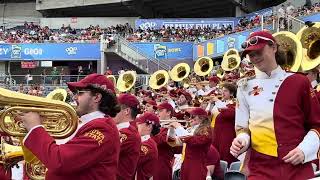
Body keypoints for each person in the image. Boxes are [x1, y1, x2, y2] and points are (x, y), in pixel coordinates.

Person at [230, 31, 320, 179]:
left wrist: (304, 150)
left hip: (296, 165)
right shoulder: (244, 87)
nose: (254, 57)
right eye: (250, 55)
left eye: (258, 51)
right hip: (260, 168)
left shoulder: (299, 81)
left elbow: (316, 124)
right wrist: (242, 141)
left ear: (274, 47)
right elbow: (242, 128)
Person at [19, 73, 121, 180]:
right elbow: (48, 154)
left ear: (96, 97)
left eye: (80, 93)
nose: (75, 97)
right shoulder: (84, 123)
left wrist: (36, 128)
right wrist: (30, 127)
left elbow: (60, 161)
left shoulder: (103, 128)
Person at [168, 107, 212, 180]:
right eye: (190, 116)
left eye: (193, 116)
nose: (190, 119)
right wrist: (172, 129)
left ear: (202, 118)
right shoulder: (189, 130)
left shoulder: (206, 130)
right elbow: (172, 142)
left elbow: (193, 141)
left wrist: (178, 127)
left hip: (197, 166)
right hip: (186, 165)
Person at [113, 93, 141, 180]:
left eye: (115, 107)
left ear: (127, 111)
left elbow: (104, 151)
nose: (111, 110)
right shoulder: (124, 130)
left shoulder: (129, 134)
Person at [153, 102, 182, 180]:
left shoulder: (171, 129)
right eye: (157, 110)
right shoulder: (158, 126)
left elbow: (160, 141)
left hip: (162, 164)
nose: (157, 113)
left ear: (168, 113)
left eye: (160, 110)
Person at [135, 112, 160, 180]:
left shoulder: (148, 145)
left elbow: (132, 160)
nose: (137, 124)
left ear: (149, 126)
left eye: (140, 123)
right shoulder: (144, 142)